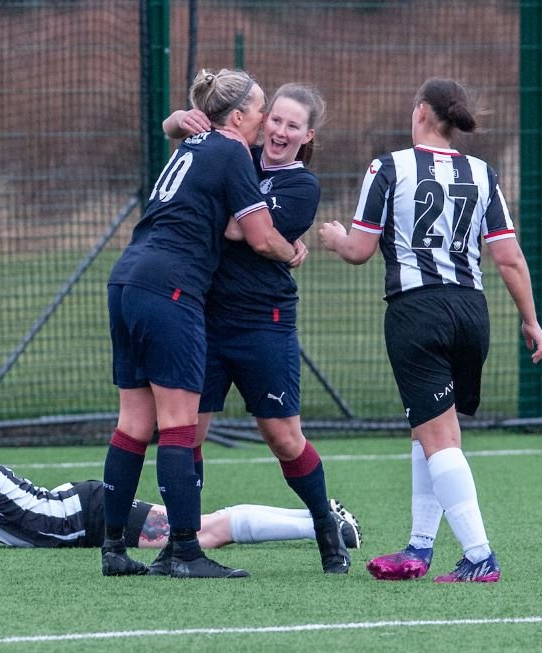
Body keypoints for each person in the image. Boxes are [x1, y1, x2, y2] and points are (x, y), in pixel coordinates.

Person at [320, 77, 542, 583]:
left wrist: (335, 238)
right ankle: (419, 548)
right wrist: (531, 321)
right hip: (472, 312)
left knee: (439, 438)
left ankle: (479, 555)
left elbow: (358, 250)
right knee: (432, 430)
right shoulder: (482, 173)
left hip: (417, 313)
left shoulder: (389, 166)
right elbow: (508, 258)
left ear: (421, 111)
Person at [103, 68, 307, 579]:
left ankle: (113, 549)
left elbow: (179, 127)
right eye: (261, 109)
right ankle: (186, 552)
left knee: (133, 423)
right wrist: (293, 251)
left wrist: (175, 120)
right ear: (237, 116)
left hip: (127, 278)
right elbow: (261, 237)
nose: (266, 120)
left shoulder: (191, 145)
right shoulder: (232, 150)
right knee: (178, 424)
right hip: (170, 287)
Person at [161, 84, 352, 575]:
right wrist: (182, 117)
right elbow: (173, 133)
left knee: (283, 437)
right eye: (276, 121)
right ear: (261, 121)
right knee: (188, 435)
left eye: (293, 125)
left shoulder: (301, 186)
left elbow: (237, 230)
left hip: (262, 323)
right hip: (205, 318)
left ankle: (326, 529)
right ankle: (183, 544)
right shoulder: (235, 152)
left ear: (307, 135)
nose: (281, 132)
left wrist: (271, 240)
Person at [0, 445, 361, 552]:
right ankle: (320, 516)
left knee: (206, 532)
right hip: (82, 512)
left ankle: (321, 524)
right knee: (207, 528)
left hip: (86, 514)